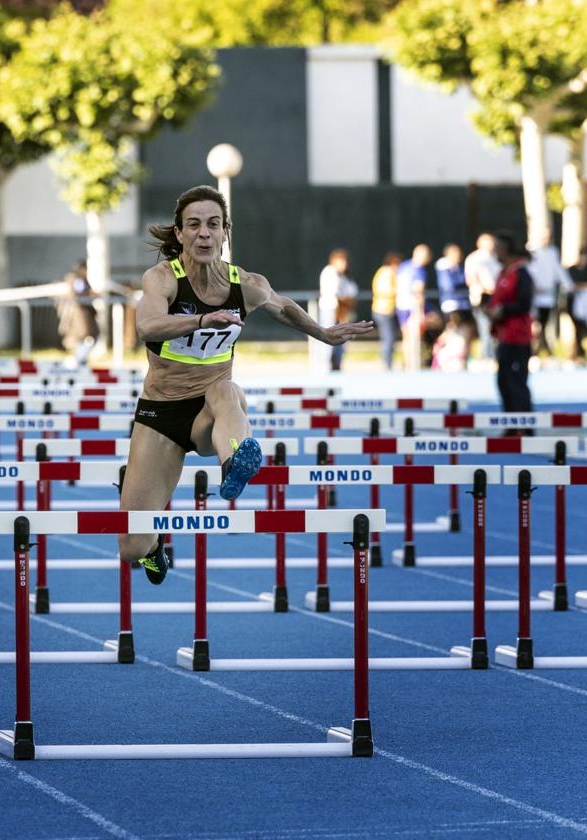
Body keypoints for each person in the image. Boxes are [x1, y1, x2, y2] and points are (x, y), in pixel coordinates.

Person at [123, 185, 374, 584]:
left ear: (225, 232)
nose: (204, 234)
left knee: (226, 390)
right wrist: (204, 320)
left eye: (213, 225)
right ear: (180, 234)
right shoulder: (162, 280)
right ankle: (154, 547)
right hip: (160, 414)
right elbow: (147, 326)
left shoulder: (247, 284)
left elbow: (284, 307)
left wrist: (323, 333)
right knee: (130, 548)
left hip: (209, 412)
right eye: (194, 225)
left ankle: (235, 464)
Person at [486, 231, 534, 414]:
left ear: (506, 250)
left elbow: (524, 304)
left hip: (518, 337)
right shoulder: (503, 273)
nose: (494, 253)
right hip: (504, 335)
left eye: (497, 248)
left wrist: (502, 310)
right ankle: (511, 425)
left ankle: (524, 426)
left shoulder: (521, 273)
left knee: (516, 383)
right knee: (503, 382)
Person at [527, 231, 573, 359]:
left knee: (544, 323)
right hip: (535, 295)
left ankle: (542, 348)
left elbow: (558, 269)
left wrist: (567, 284)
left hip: (548, 295)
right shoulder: (533, 251)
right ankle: (536, 348)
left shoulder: (553, 252)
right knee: (535, 323)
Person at [317, 248, 356, 372]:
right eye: (341, 262)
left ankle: (337, 365)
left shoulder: (344, 276)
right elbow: (335, 293)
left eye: (345, 262)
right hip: (329, 309)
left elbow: (352, 291)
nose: (344, 265)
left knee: (342, 338)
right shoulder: (329, 272)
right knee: (327, 336)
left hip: (341, 312)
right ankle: (324, 366)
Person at [464, 232, 500, 360]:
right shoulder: (474, 259)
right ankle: (487, 356)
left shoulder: (496, 258)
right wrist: (485, 288)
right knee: (485, 328)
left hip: (497, 297)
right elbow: (471, 279)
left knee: (497, 329)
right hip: (482, 297)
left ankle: (496, 356)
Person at [57, 259, 99, 368]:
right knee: (86, 338)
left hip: (85, 314)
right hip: (80, 315)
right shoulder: (78, 280)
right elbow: (80, 294)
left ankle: (79, 360)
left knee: (88, 338)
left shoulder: (81, 280)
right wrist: (91, 294)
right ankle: (77, 360)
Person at [436, 243, 472, 368]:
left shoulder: (460, 268)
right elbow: (449, 286)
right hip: (451, 305)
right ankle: (441, 354)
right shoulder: (444, 268)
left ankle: (461, 358)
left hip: (464, 305)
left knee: (465, 331)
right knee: (451, 330)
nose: (458, 256)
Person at [396, 244, 430, 371]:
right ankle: (413, 364)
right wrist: (420, 311)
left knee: (406, 336)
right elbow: (418, 292)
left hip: (400, 304)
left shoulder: (404, 266)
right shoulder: (419, 270)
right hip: (411, 306)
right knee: (413, 335)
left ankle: (407, 363)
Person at [370, 252, 400, 370]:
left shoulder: (385, 272)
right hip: (383, 311)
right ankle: (387, 364)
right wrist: (400, 290)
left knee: (389, 337)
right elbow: (385, 290)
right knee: (388, 338)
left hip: (386, 310)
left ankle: (388, 362)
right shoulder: (386, 272)